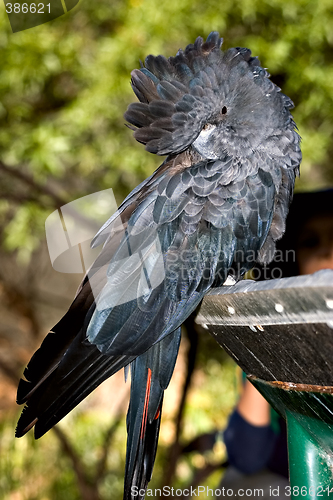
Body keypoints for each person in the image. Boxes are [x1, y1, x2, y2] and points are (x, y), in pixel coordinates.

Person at [217, 189, 333, 499]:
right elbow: (246, 455)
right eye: (311, 242)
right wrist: (270, 345)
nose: (325, 251)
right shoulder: (272, 336)